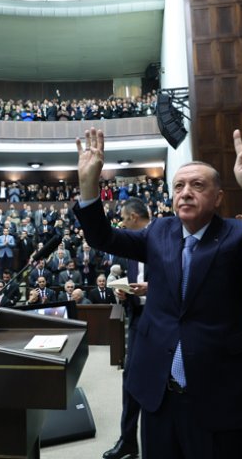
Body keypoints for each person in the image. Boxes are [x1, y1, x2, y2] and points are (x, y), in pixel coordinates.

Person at [74, 125, 242, 459]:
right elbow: (103, 238)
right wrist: (89, 186)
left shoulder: (239, 234)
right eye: (179, 186)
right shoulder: (159, 231)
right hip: (158, 392)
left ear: (218, 197)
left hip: (218, 393)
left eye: (198, 185)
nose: (186, 192)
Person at [104, 196, 151, 459]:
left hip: (163, 318)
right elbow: (133, 279)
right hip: (138, 317)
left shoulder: (164, 235)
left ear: (133, 217)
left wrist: (151, 289)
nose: (121, 223)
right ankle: (128, 441)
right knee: (131, 379)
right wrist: (124, 292)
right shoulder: (131, 245)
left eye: (123, 218)